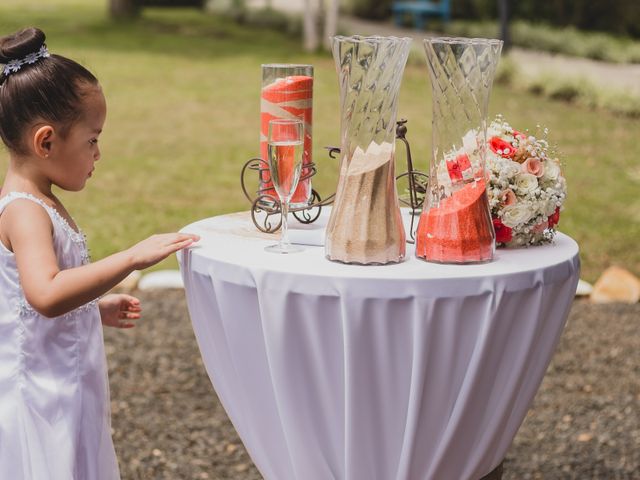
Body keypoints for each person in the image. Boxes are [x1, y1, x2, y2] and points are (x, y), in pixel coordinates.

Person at [0, 27, 199, 479]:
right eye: (91, 139)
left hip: (65, 389)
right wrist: (130, 257)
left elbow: (34, 298)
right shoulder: (26, 212)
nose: (98, 153)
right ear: (45, 142)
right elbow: (45, 294)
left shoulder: (38, 197)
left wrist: (91, 308)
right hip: (42, 400)